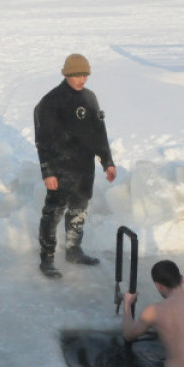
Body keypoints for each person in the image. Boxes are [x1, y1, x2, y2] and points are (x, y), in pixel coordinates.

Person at [33, 53, 116, 279]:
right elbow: (43, 140)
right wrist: (47, 171)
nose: (82, 79)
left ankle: (74, 250)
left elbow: (99, 133)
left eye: (85, 74)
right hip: (60, 169)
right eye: (77, 75)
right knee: (53, 213)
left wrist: (107, 161)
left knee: (79, 209)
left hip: (83, 168)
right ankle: (47, 258)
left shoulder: (89, 98)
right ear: (66, 74)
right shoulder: (51, 101)